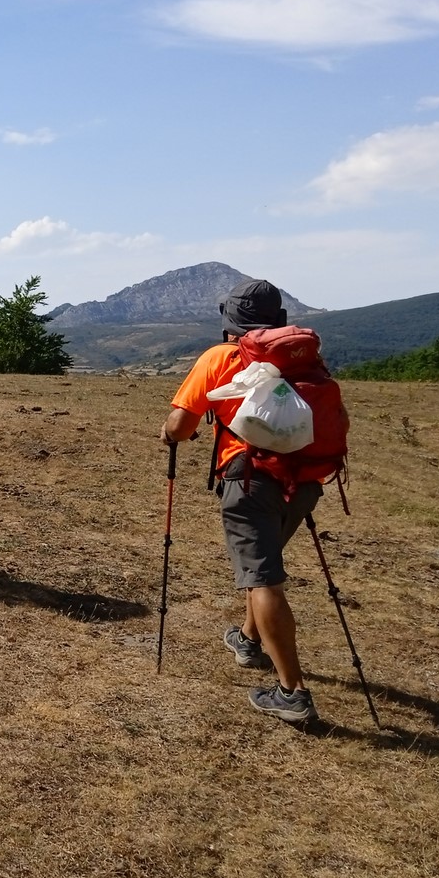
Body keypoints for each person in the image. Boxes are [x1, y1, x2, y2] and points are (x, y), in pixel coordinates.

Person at [160, 278, 322, 723]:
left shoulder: (221, 357)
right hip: (305, 479)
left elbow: (180, 426)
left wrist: (168, 433)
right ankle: (249, 641)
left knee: (262, 579)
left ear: (230, 322)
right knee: (262, 564)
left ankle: (292, 693)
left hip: (250, 479)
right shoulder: (303, 358)